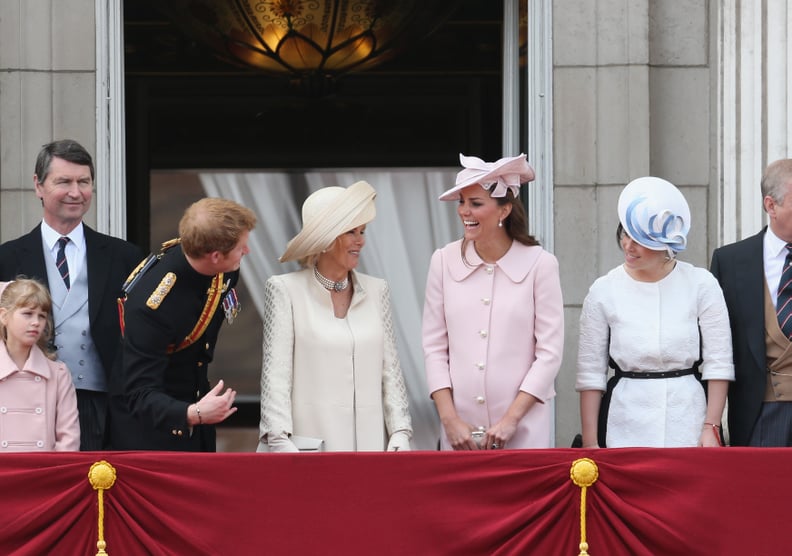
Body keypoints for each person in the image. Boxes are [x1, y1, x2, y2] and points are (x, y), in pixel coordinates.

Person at [0, 139, 142, 450]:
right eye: (64, 181)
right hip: (28, 402)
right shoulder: (6, 258)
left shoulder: (125, 257)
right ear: (39, 186)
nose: (76, 192)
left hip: (105, 404)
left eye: (84, 182)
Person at [577, 177, 734, 448]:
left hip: (688, 414)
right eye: (626, 234)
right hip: (623, 418)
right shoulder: (604, 290)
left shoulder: (701, 283)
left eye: (640, 240)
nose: (629, 246)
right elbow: (590, 373)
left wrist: (712, 426)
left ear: (666, 245)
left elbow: (719, 362)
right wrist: (591, 443)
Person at [257, 180, 413, 452]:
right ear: (326, 240)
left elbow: (391, 372)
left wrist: (400, 432)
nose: (361, 241)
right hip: (307, 451)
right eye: (351, 232)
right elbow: (276, 376)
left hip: (371, 451)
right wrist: (279, 439)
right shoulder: (285, 290)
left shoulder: (378, 290)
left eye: (362, 231)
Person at [422, 153, 564, 450]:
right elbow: (434, 348)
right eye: (462, 202)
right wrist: (449, 420)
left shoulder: (541, 265)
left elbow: (549, 353)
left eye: (475, 203)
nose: (464, 211)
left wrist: (511, 419)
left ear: (504, 211)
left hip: (523, 430)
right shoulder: (443, 261)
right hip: (459, 434)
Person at [110, 197, 256, 451]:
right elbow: (138, 395)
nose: (247, 252)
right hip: (153, 434)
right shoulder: (152, 307)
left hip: (198, 412)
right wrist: (193, 413)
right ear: (215, 256)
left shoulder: (226, 268)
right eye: (240, 248)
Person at [711, 159, 792, 446]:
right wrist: (711, 421)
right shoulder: (730, 262)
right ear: (771, 206)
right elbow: (714, 348)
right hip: (759, 412)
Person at [0, 279, 80, 451]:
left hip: (44, 473)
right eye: (28, 314)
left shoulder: (58, 373)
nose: (36, 322)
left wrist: (53, 475)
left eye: (42, 316)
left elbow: (69, 439)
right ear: (4, 316)